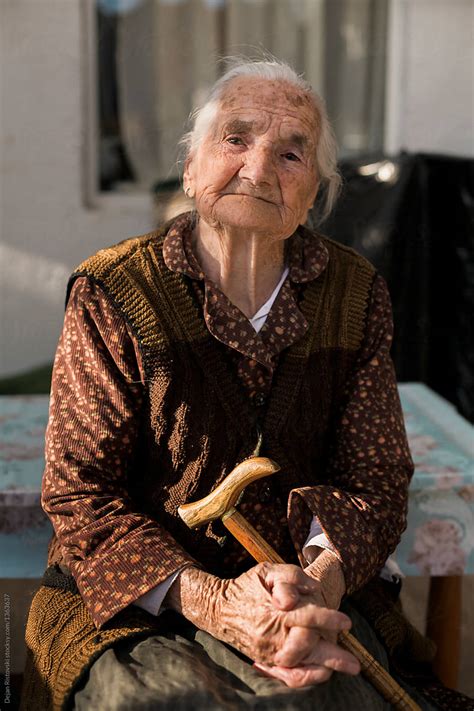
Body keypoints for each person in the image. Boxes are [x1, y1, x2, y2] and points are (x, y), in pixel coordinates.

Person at [21, 59, 455, 711]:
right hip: (146, 601)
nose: (256, 169)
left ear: (316, 192)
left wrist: (321, 579)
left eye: (290, 153)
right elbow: (79, 493)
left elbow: (376, 475)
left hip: (304, 595)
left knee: (334, 698)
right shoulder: (114, 291)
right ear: (191, 168)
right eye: (235, 139)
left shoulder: (356, 292)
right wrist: (212, 597)